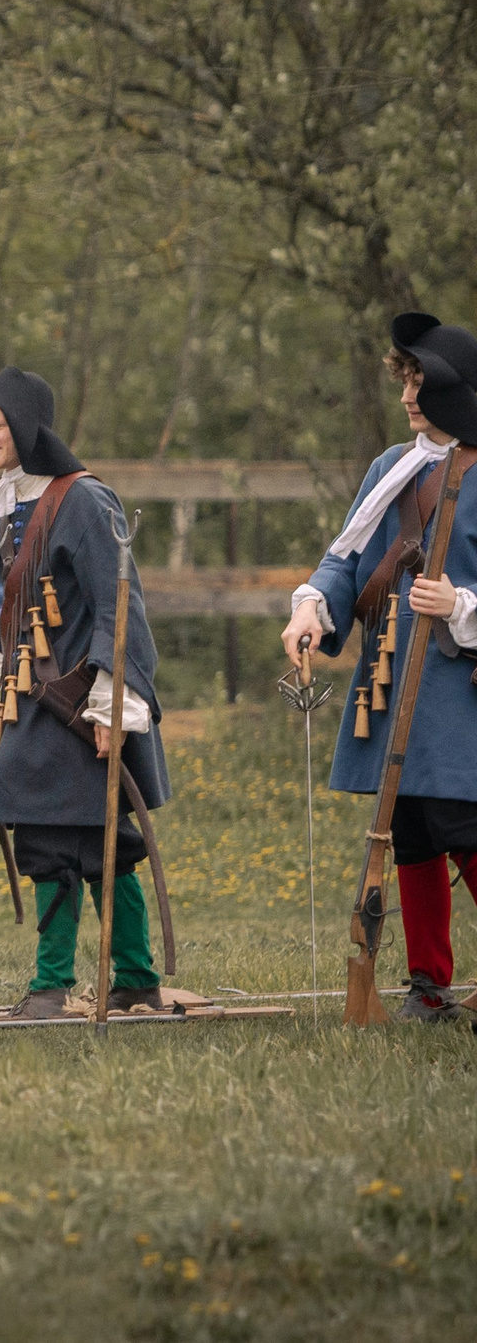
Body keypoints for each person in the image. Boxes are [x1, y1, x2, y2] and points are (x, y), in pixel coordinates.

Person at [0, 368, 168, 1019]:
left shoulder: (85, 499)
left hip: (80, 703)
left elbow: (119, 602)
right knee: (48, 841)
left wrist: (114, 701)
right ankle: (61, 980)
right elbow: (31, 604)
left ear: (27, 424)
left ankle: (125, 976)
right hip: (33, 703)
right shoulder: (14, 502)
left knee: (102, 843)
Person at [281, 314, 477, 1023]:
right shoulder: (389, 466)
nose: (408, 396)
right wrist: (312, 609)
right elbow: (346, 557)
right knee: (415, 830)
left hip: (460, 688)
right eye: (405, 380)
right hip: (393, 677)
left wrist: (460, 601)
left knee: (463, 822)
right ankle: (430, 985)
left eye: (422, 381)